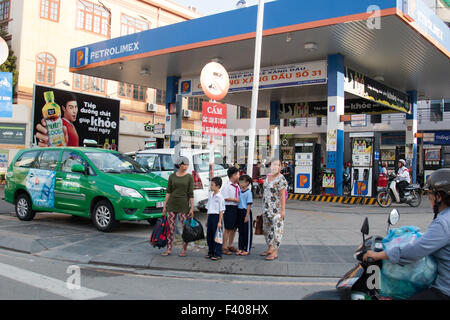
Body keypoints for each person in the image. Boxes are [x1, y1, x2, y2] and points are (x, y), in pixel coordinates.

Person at [364, 168, 450, 300]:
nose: (429, 198)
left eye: (430, 194)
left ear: (439, 196)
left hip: (445, 290)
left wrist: (379, 255)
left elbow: (416, 250)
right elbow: (429, 241)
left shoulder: (443, 222)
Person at [161, 156, 194, 257]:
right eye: (185, 164)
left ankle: (184, 250)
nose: (187, 166)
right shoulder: (172, 176)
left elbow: (191, 194)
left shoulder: (189, 177)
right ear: (180, 165)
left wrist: (192, 207)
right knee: (170, 228)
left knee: (185, 229)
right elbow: (168, 191)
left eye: (188, 164)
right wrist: (164, 205)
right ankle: (169, 249)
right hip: (172, 204)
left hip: (184, 205)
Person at [261, 158, 288, 261]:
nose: (276, 167)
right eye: (274, 165)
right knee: (267, 230)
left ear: (280, 167)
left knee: (277, 230)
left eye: (278, 165)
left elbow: (282, 196)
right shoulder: (268, 177)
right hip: (266, 208)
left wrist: (282, 210)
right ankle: (269, 248)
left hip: (276, 209)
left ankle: (275, 252)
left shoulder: (281, 179)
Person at [220, 167, 240, 255]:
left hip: (236, 208)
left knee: (234, 228)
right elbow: (224, 197)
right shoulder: (226, 186)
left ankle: (230, 245)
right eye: (238, 174)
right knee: (228, 228)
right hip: (229, 208)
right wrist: (234, 199)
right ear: (233, 175)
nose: (239, 176)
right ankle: (223, 246)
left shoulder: (237, 186)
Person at [205, 176, 225, 261]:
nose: (211, 186)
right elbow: (208, 208)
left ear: (218, 186)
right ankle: (211, 252)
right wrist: (207, 219)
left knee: (217, 236)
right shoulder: (211, 195)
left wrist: (220, 222)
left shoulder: (220, 197)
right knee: (209, 235)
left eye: (212, 185)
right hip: (210, 216)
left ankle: (218, 253)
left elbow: (221, 210)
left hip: (217, 217)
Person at [237, 174, 253, 256]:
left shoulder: (248, 192)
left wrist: (247, 216)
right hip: (239, 212)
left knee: (247, 231)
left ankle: (247, 249)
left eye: (242, 182)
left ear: (247, 183)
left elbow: (249, 205)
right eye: (240, 182)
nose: (240, 183)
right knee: (241, 231)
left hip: (246, 212)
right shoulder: (239, 191)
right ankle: (240, 248)